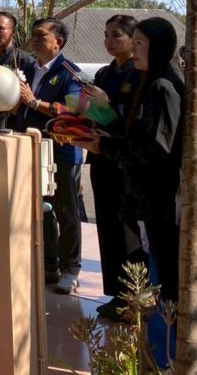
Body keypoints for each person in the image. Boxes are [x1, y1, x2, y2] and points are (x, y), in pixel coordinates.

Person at [73, 17, 184, 304]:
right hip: (145, 189)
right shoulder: (142, 78)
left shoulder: (163, 86)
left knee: (168, 273)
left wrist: (105, 145)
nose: (133, 50)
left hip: (163, 193)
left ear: (158, 46)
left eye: (139, 43)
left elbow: (155, 148)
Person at [81, 15, 146, 318]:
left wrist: (107, 105)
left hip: (124, 159)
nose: (109, 41)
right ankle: (117, 294)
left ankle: (136, 297)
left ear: (134, 39)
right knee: (107, 227)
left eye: (116, 35)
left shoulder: (140, 74)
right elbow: (97, 114)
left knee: (126, 230)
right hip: (100, 155)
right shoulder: (104, 73)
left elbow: (132, 121)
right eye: (107, 35)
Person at [17, 17, 83, 294]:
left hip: (62, 150)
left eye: (41, 35)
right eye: (33, 34)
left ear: (58, 42)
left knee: (66, 210)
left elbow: (73, 110)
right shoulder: (26, 69)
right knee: (39, 208)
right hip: (30, 148)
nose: (35, 39)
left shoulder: (70, 72)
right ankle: (49, 263)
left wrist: (35, 102)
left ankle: (71, 268)